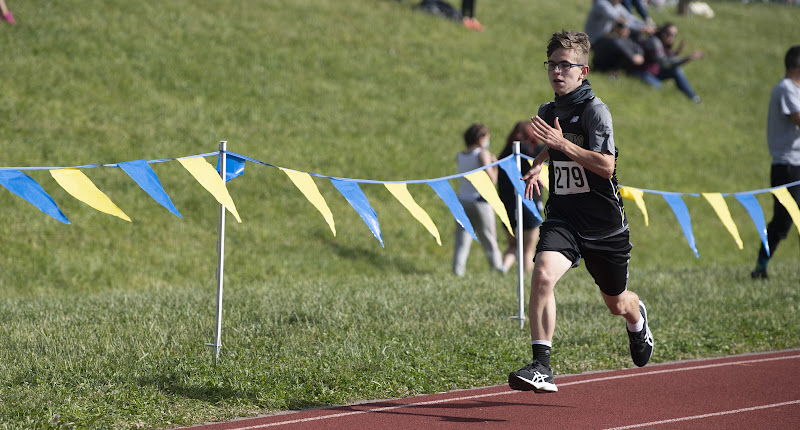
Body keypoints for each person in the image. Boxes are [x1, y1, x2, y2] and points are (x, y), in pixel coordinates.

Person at [507, 30, 653, 393]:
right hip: (565, 218)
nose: (557, 72)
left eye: (565, 65)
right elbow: (555, 144)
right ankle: (542, 366)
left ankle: (637, 318)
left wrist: (558, 145)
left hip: (604, 226)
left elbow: (605, 166)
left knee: (616, 303)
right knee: (541, 274)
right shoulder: (548, 110)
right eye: (552, 65)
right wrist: (541, 161)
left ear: (583, 70)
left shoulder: (596, 111)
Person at [751, 45, 800, 280]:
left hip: (795, 165)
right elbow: (797, 118)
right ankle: (760, 266)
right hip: (788, 166)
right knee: (783, 220)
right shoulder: (786, 88)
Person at [452, 123, 505, 277]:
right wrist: (494, 164)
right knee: (488, 237)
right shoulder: (482, 153)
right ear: (481, 138)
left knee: (462, 239)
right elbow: (492, 179)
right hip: (480, 201)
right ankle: (497, 268)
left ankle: (458, 270)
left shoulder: (460, 155)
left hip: (462, 200)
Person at [497, 121, 545, 273]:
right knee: (528, 250)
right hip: (530, 204)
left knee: (513, 246)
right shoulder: (534, 151)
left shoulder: (505, 153)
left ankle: (503, 268)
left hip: (508, 206)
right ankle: (527, 281)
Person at [630, 22, 704, 103]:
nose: (671, 37)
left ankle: (694, 98)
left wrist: (677, 53)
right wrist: (686, 59)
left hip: (654, 71)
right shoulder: (654, 42)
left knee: (677, 71)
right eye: (669, 34)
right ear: (663, 33)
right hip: (640, 71)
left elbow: (669, 59)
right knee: (658, 86)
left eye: (674, 35)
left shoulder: (664, 43)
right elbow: (664, 62)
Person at [584, 0, 655, 46]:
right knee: (624, 35)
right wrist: (641, 28)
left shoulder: (616, 6)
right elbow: (618, 19)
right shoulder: (601, 3)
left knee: (631, 33)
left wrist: (647, 25)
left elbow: (630, 18)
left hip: (606, 36)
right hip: (595, 40)